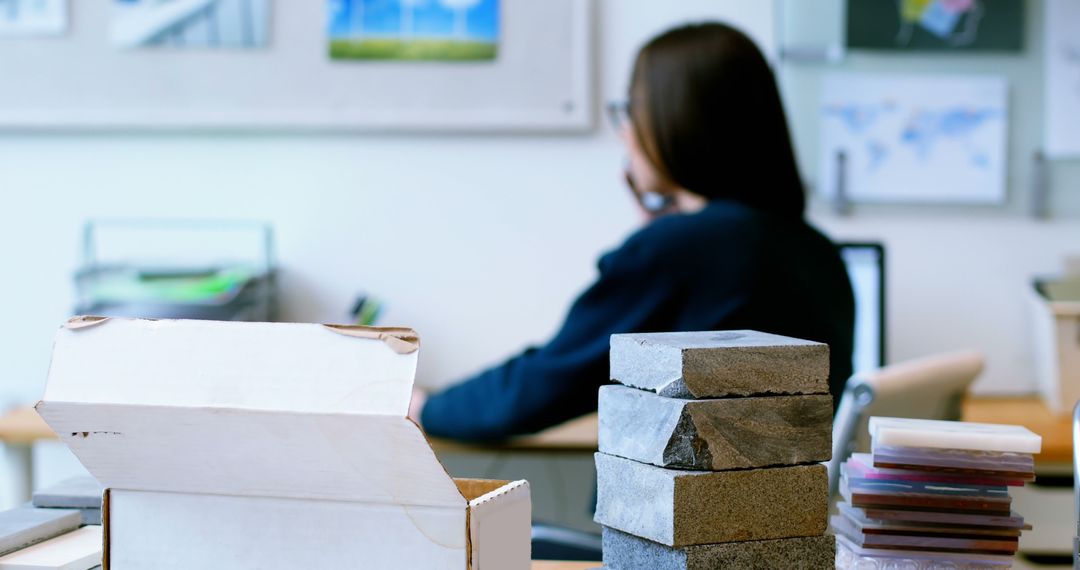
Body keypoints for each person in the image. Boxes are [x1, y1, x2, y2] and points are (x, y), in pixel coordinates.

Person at [410, 22, 855, 441]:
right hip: (778, 516)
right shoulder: (816, 252)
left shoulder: (687, 249)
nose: (625, 134)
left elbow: (546, 381)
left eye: (631, 111)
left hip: (664, 521)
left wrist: (426, 407)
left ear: (674, 120)